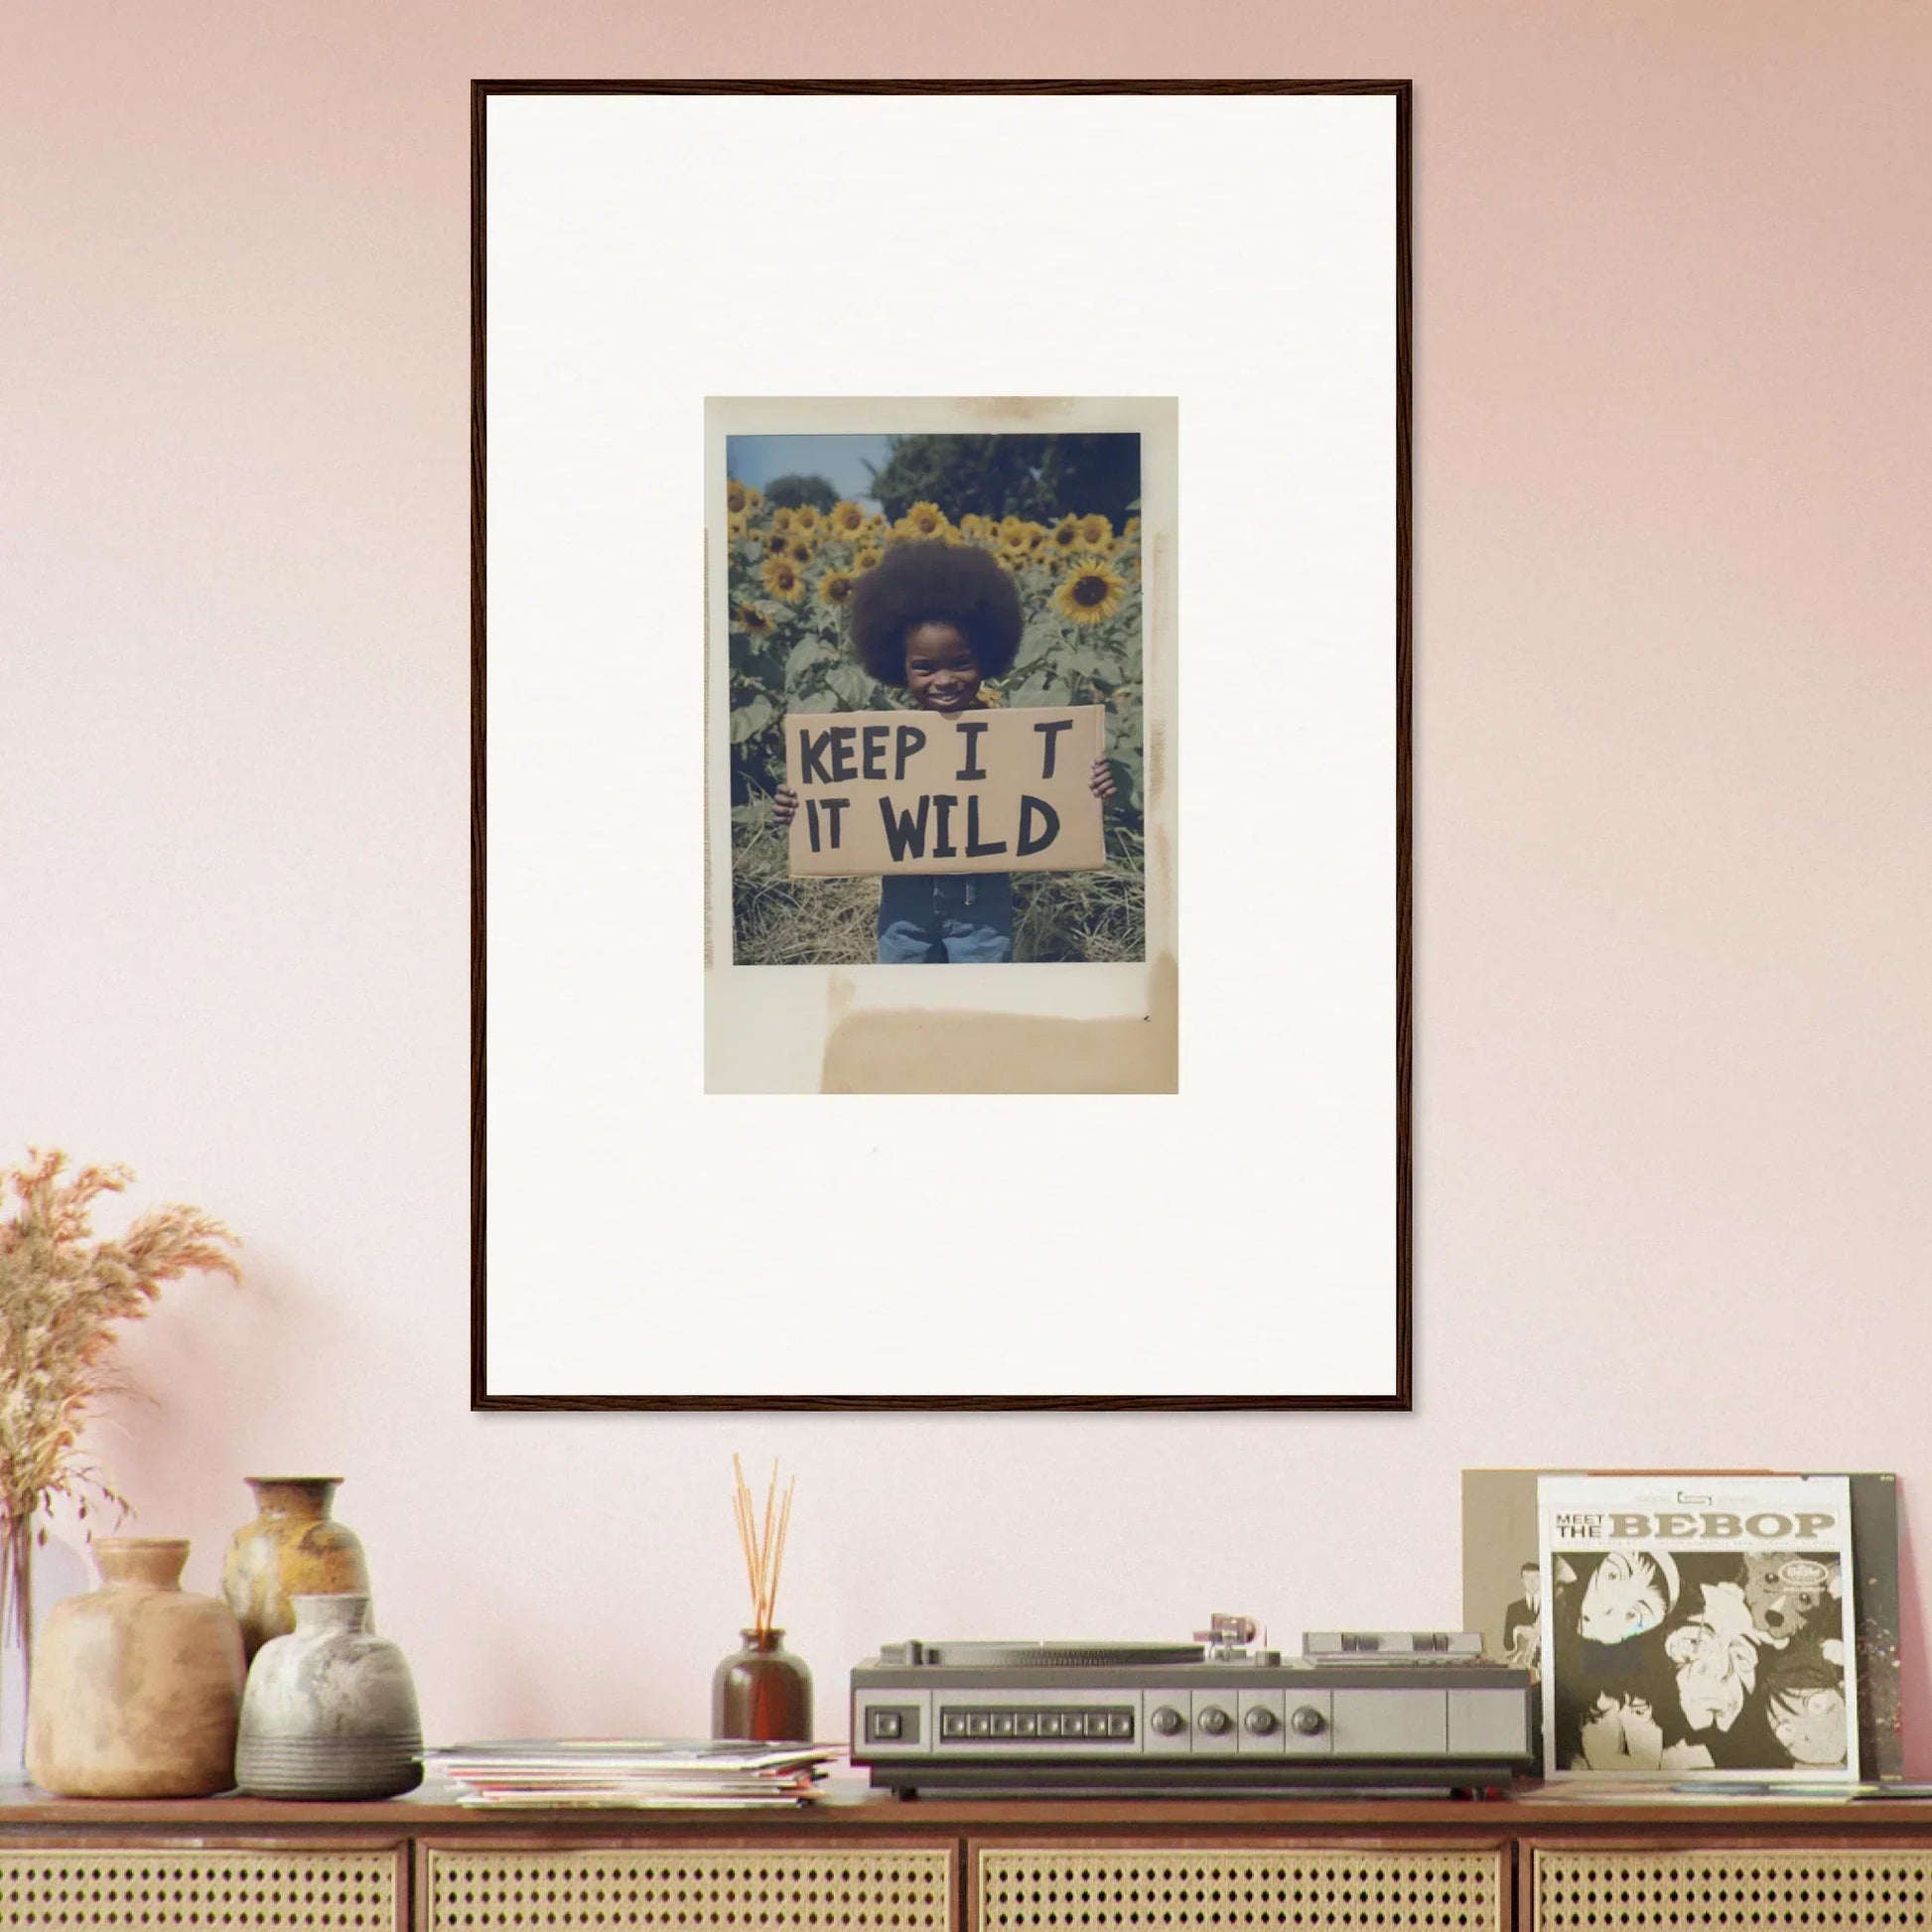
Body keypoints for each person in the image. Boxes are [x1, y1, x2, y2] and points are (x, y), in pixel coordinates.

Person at [773, 538, 1115, 962]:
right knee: (907, 1004)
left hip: (981, 911)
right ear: (898, 667)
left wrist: (1091, 784)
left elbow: (1054, 788)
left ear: (988, 656)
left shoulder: (1010, 736)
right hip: (904, 908)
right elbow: (848, 801)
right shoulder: (882, 742)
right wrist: (799, 805)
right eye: (925, 667)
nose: (945, 680)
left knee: (977, 1008)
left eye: (961, 662)